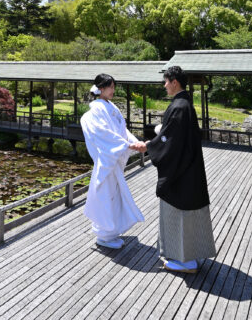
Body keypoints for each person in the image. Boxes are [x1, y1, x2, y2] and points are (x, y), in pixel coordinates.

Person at [130, 65, 216, 273]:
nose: (165, 86)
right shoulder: (185, 104)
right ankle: (190, 256)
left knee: (179, 215)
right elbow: (172, 136)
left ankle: (184, 261)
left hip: (181, 173)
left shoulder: (179, 106)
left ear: (174, 82)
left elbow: (171, 141)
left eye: (166, 82)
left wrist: (148, 146)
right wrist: (159, 138)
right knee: (188, 215)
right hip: (189, 168)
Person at [80, 73, 144, 249]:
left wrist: (133, 142)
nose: (112, 90)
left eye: (114, 87)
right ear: (100, 88)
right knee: (106, 196)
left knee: (113, 196)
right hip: (107, 160)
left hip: (115, 159)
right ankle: (104, 234)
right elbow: (104, 134)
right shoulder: (96, 111)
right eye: (110, 87)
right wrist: (128, 145)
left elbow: (121, 131)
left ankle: (111, 232)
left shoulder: (111, 107)